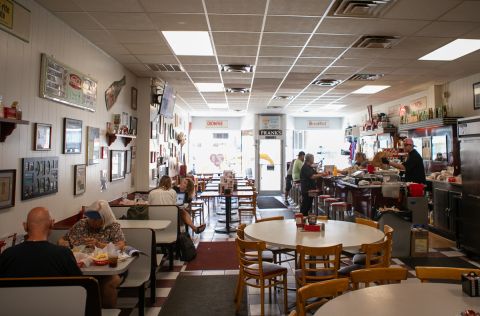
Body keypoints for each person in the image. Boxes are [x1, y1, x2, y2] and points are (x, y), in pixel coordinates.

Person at [58, 200, 125, 308]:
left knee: (110, 283)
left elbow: (121, 246)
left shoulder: (113, 226)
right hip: (82, 267)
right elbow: (61, 240)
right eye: (90, 218)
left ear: (105, 219)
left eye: (96, 219)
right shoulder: (81, 224)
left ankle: (107, 311)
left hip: (108, 268)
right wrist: (67, 244)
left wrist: (98, 244)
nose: (92, 222)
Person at [0, 207, 81, 277]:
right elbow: (81, 286)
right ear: (52, 224)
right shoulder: (63, 254)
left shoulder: (8, 254)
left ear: (25, 226)